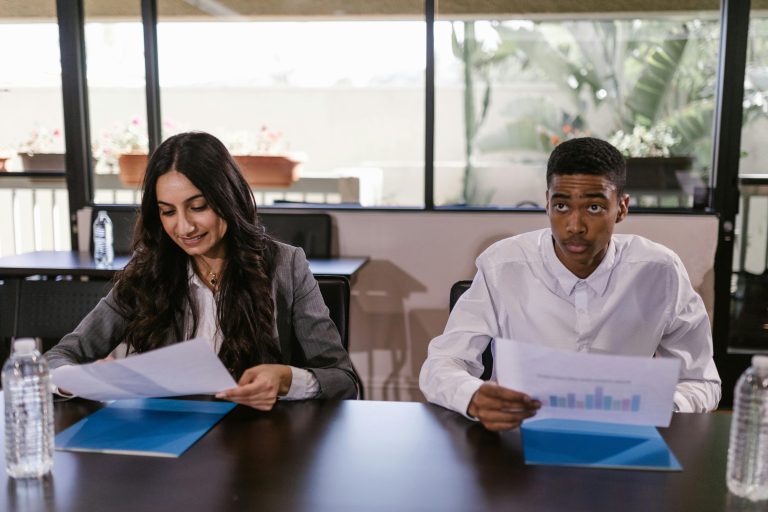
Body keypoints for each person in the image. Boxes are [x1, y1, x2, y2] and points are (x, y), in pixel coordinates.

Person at [419, 136, 721, 431]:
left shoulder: (660, 271)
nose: (575, 226)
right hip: (519, 439)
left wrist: (660, 407)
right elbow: (442, 364)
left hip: (623, 440)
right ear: (548, 204)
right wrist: (473, 396)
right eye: (562, 206)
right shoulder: (503, 265)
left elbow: (701, 381)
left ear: (622, 208)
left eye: (593, 208)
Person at [46, 131, 360, 409]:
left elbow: (344, 381)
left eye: (198, 207)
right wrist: (79, 379)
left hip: (256, 451)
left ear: (228, 198)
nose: (183, 226)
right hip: (166, 444)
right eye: (168, 211)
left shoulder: (286, 265)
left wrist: (286, 379)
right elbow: (57, 359)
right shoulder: (147, 272)